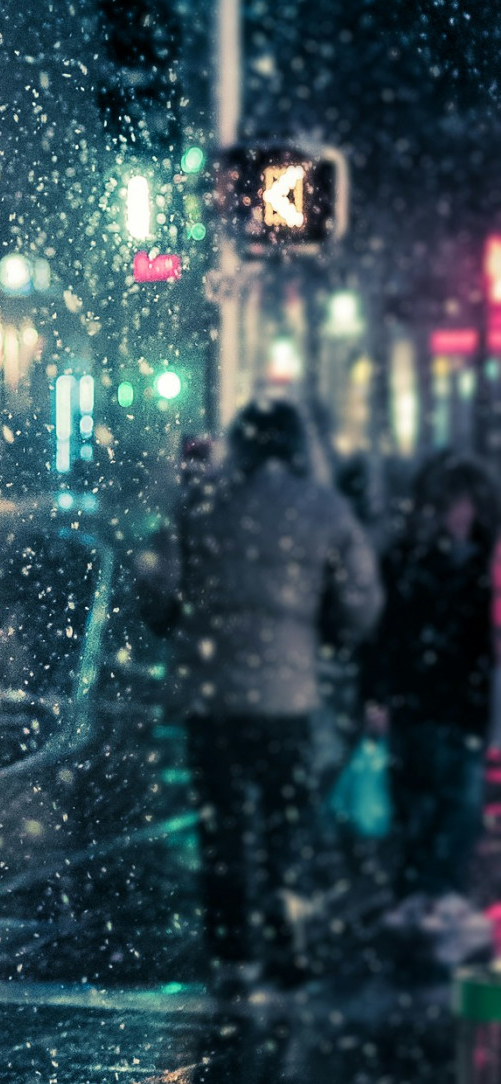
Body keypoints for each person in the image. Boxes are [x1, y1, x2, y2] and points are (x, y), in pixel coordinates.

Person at [140, 400, 383, 994]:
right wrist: (329, 628)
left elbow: (157, 588)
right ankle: (283, 943)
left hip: (212, 698)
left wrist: (178, 615)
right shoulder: (322, 508)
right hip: (286, 696)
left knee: (221, 827)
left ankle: (230, 953)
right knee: (285, 826)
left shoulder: (200, 503)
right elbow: (361, 601)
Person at [363, 453, 498, 925]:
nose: (460, 515)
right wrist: (376, 694)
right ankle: (422, 894)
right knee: (423, 802)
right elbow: (383, 635)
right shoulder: (411, 561)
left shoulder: (480, 563)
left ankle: (434, 893)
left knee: (454, 804)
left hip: (457, 702)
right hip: (426, 701)